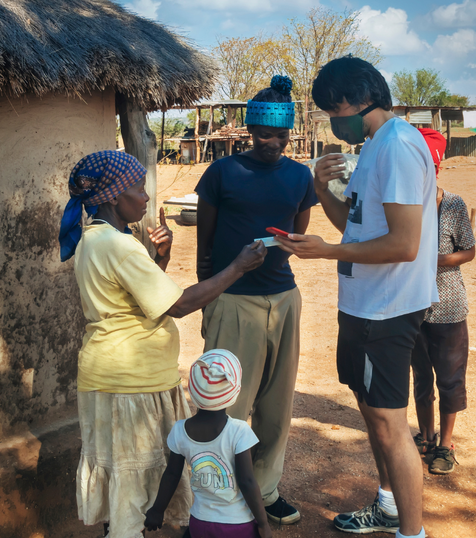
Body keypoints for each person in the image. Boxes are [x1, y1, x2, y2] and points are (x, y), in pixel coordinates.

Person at [59, 150, 267, 538]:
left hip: (112, 376)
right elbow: (179, 305)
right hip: (131, 381)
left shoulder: (95, 238)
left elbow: (138, 300)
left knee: (125, 480)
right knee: (134, 485)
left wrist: (160, 259)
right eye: (138, 189)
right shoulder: (119, 246)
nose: (146, 197)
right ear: (114, 197)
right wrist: (237, 268)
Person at [276, 57, 438, 538]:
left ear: (357, 101)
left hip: (386, 309)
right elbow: (355, 225)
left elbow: (404, 245)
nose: (332, 121)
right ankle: (388, 506)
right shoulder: (373, 147)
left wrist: (327, 252)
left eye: (333, 111)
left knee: (389, 424)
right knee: (372, 413)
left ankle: (412, 533)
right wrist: (320, 187)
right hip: (363, 304)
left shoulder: (398, 147)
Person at [195, 75, 317, 525]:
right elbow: (204, 240)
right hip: (232, 300)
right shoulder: (223, 173)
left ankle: (264, 490)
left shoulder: (299, 176)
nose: (274, 143)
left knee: (276, 403)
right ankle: (217, 498)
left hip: (283, 298)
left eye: (282, 135)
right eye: (265, 134)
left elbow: (298, 232)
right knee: (225, 405)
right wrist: (211, 293)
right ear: (250, 130)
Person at [145, 350, 273, 538]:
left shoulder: (180, 430)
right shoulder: (238, 431)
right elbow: (247, 481)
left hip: (200, 523)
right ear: (234, 392)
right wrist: (263, 523)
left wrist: (157, 510)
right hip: (238, 525)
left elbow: (172, 474)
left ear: (193, 391)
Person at [410, 133, 476, 474]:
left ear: (435, 168)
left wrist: (435, 261)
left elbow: (469, 250)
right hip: (412, 307)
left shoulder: (452, 205)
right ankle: (426, 436)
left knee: (449, 379)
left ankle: (445, 444)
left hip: (448, 307)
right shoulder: (403, 207)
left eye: (428, 168)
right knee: (421, 378)